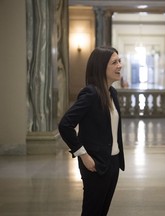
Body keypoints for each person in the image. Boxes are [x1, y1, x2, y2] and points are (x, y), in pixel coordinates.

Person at [58, 46, 125, 216]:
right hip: (95, 164)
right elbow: (65, 125)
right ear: (101, 67)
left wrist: (115, 161)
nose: (120, 65)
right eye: (114, 62)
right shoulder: (90, 94)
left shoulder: (112, 93)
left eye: (119, 61)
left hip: (113, 162)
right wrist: (84, 155)